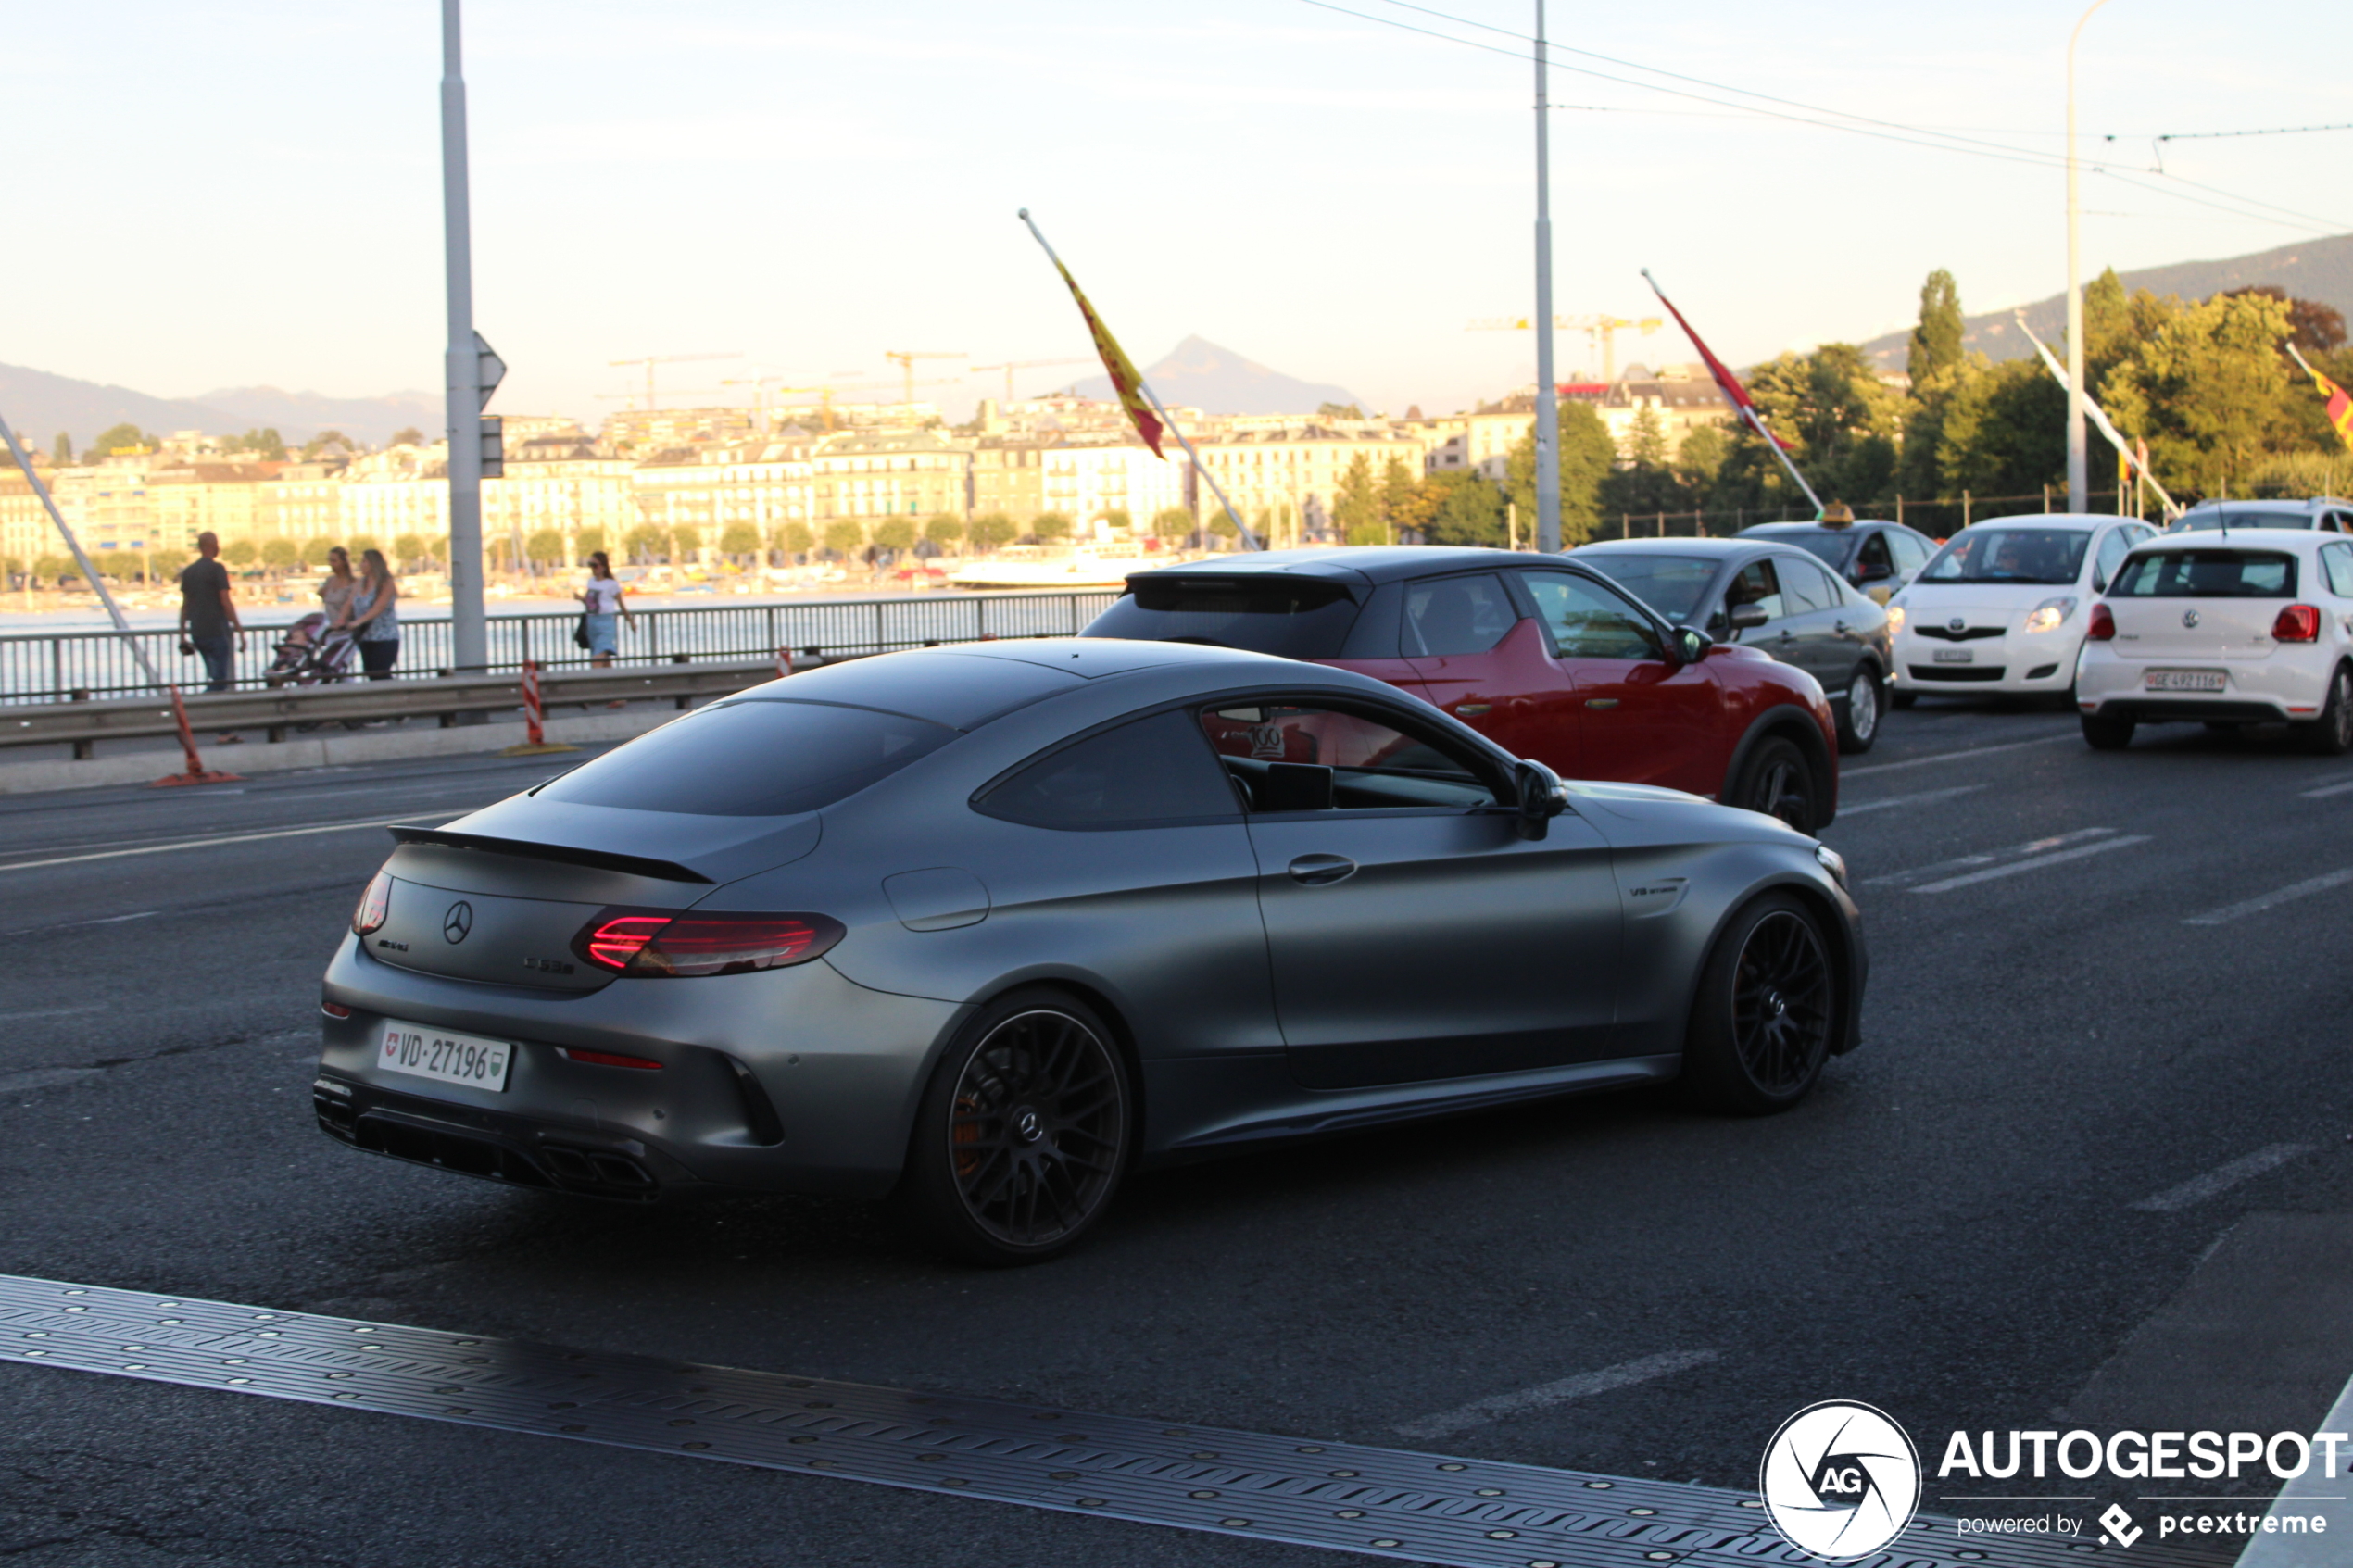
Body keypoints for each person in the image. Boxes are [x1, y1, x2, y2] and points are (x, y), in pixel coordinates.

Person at [176, 531, 243, 696]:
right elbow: (225, 601)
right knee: (220, 679)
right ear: (213, 546)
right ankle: (202, 704)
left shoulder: (189, 571)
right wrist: (239, 628)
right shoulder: (217, 569)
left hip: (198, 631)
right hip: (216, 629)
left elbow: (185, 606)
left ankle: (209, 704)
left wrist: (183, 634)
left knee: (215, 675)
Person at [337, 547, 402, 680]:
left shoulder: (386, 582)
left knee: (380, 671)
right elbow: (349, 603)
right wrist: (341, 620)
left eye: (364, 561)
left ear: (373, 563)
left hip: (385, 636)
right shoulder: (360, 583)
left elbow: (379, 606)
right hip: (365, 636)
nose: (361, 565)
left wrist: (358, 621)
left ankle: (391, 696)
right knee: (370, 671)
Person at [580, 551, 634, 670]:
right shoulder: (591, 581)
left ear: (603, 566)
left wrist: (630, 621)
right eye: (591, 565)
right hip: (592, 623)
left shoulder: (612, 584)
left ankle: (593, 685)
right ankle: (612, 684)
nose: (593, 569)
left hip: (606, 623)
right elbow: (590, 603)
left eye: (595, 565)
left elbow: (621, 604)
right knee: (605, 660)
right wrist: (580, 599)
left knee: (597, 659)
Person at [318, 546, 357, 626]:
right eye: (329, 561)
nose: (330, 564)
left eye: (334, 561)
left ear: (344, 562)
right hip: (330, 627)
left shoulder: (354, 583)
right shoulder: (329, 581)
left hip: (347, 627)